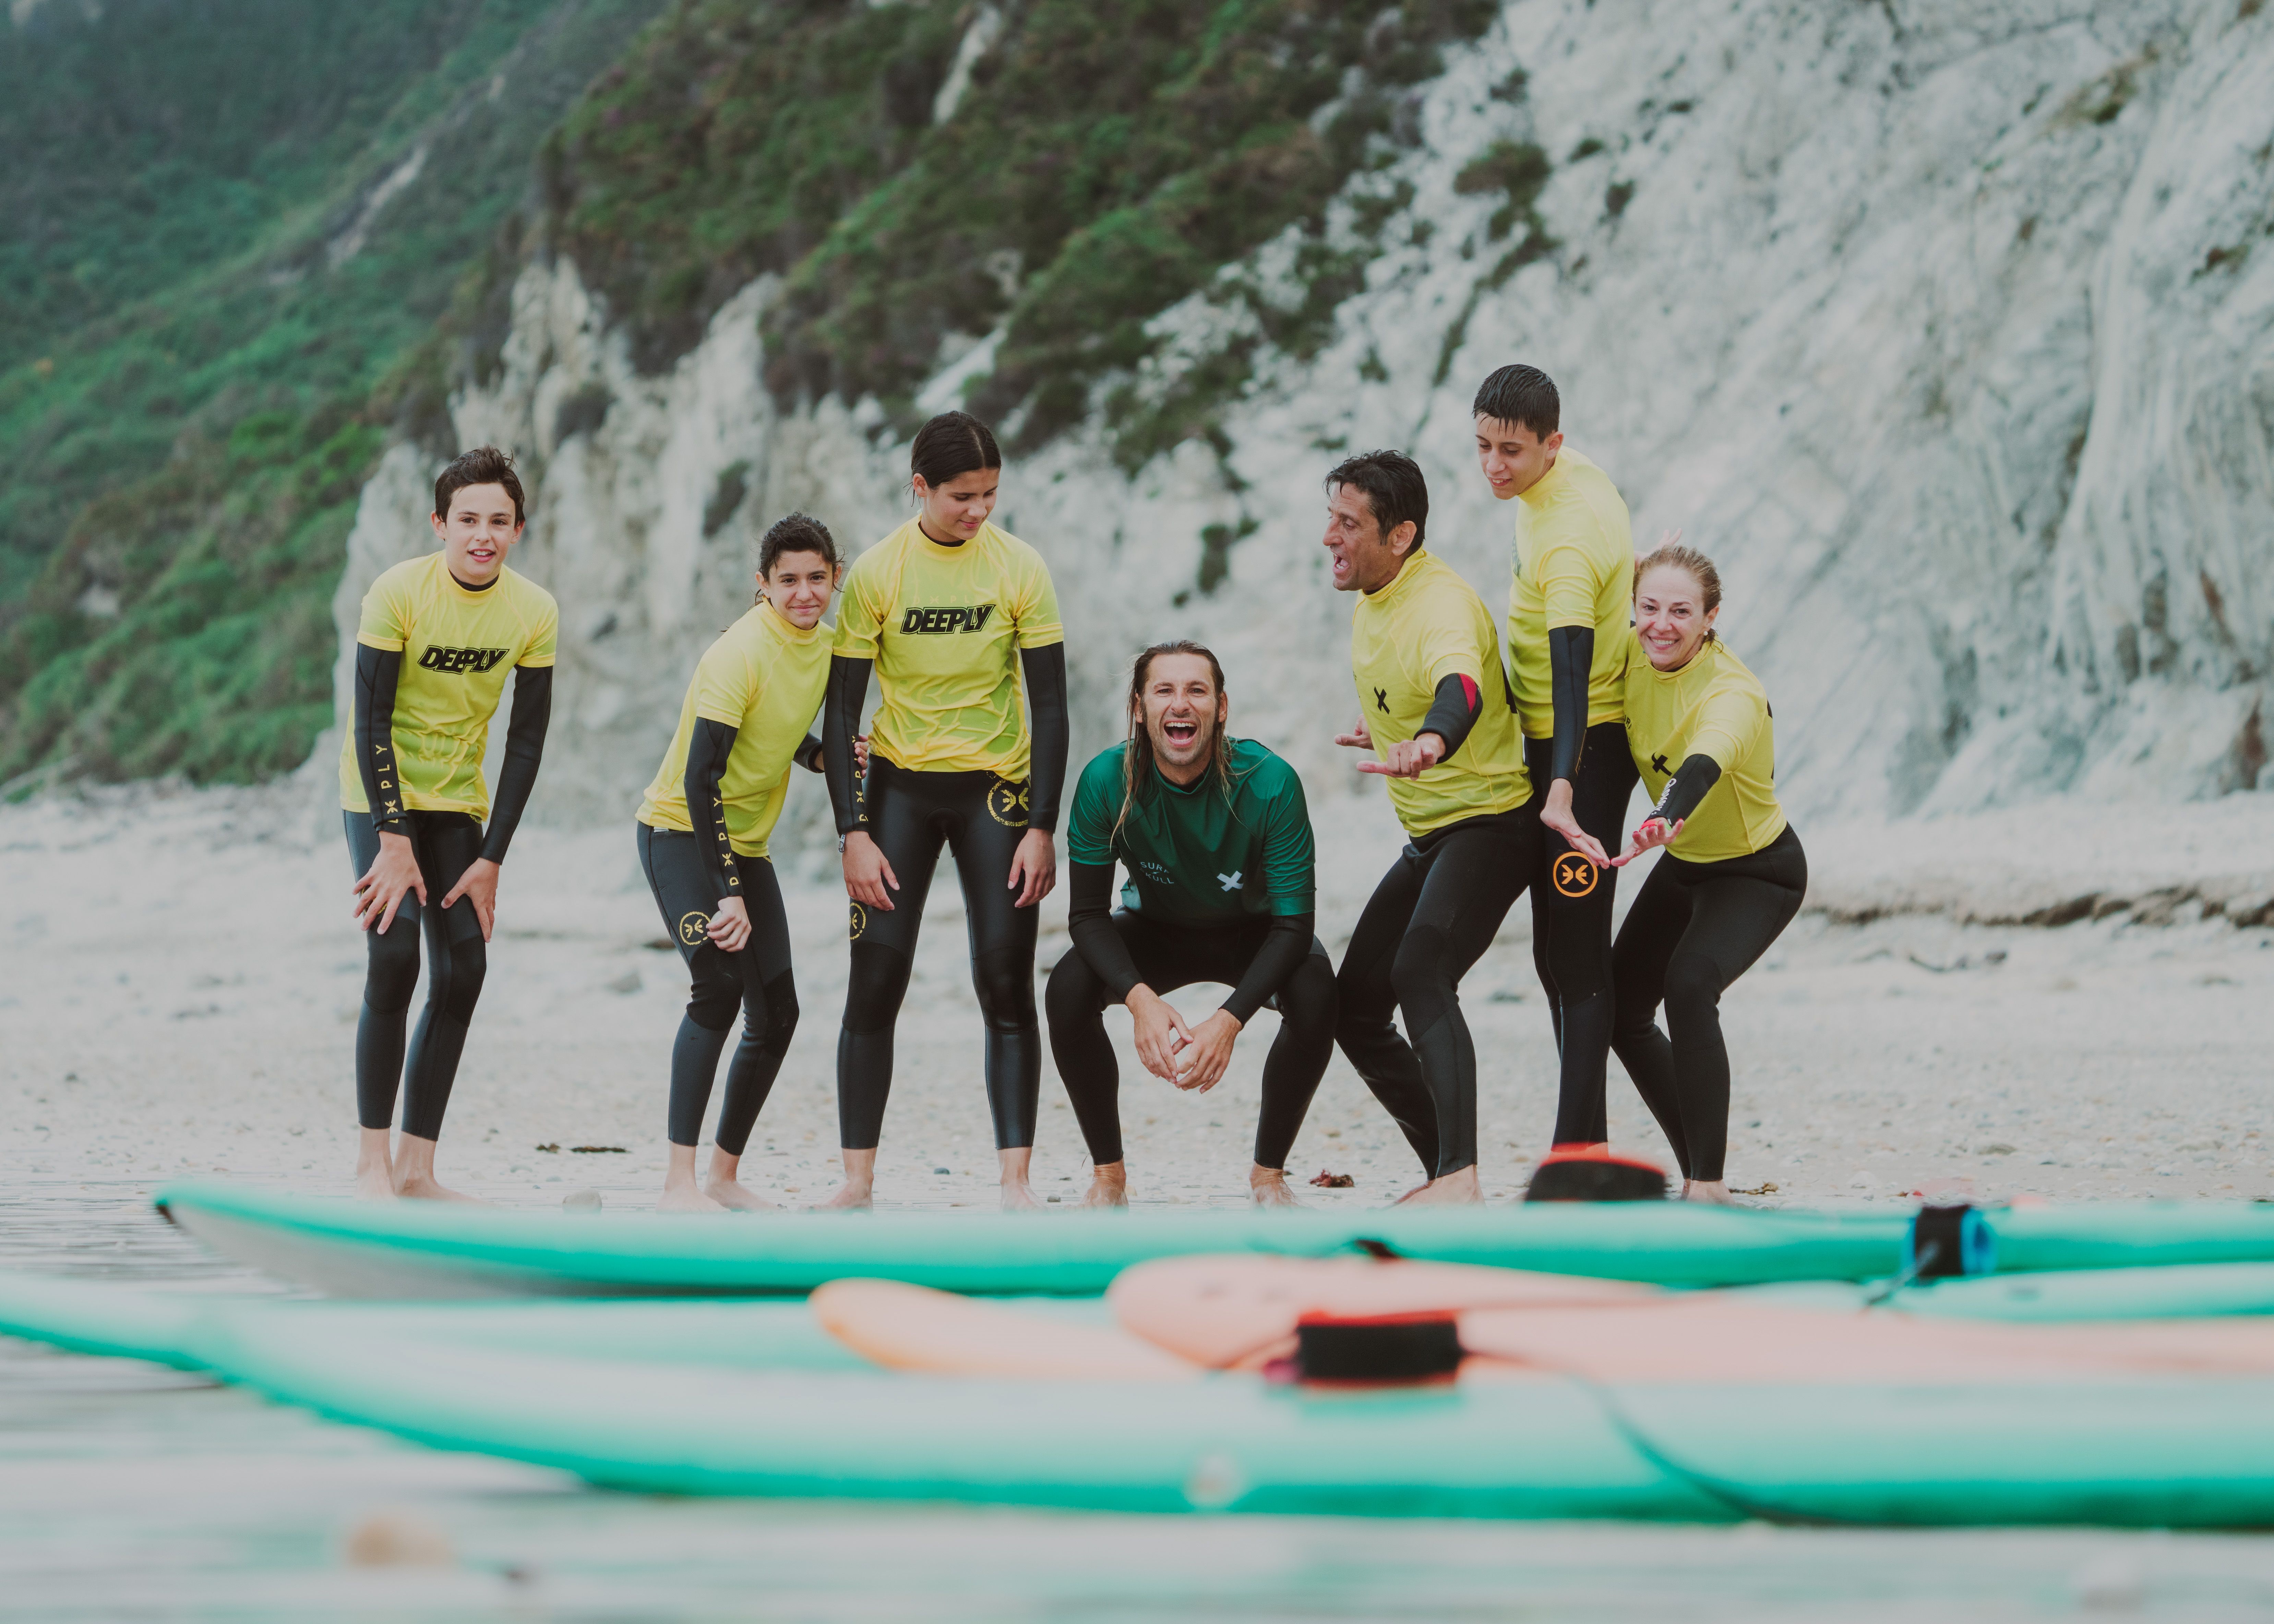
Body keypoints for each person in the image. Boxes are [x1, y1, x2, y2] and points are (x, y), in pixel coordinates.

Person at [819, 411, 1069, 1210]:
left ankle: (1015, 1181)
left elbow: (1051, 705)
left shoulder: (1019, 567)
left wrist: (1041, 825)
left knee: (1004, 981)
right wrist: (852, 831)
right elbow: (841, 712)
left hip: (994, 790)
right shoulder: (877, 573)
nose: (979, 510)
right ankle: (857, 1180)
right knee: (875, 981)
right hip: (899, 789)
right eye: (962, 496)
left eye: (990, 493)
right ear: (920, 487)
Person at [339, 447, 555, 1200]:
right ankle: (372, 1162)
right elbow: (370, 722)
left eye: (499, 521)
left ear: (518, 529)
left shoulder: (534, 611)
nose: (482, 535)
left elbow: (525, 742)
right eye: (468, 519)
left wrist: (492, 857)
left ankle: (416, 1168)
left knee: (464, 967)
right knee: (395, 952)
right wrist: (393, 838)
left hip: (458, 801)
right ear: (440, 523)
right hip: (380, 797)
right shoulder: (398, 592)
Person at [1046, 641, 1333, 1207]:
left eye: (1197, 690)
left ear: (1221, 708)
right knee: (1068, 988)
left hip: (1254, 932)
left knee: (1317, 990)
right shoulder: (1106, 779)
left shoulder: (1270, 781)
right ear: (1139, 708)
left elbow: (1295, 926)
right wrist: (1139, 999)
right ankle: (1108, 1177)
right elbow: (1087, 916)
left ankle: (1269, 1177)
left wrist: (1229, 1020)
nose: (1181, 704)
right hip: (1156, 928)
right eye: (1164, 690)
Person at [1325, 450, 1541, 1203]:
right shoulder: (1374, 598)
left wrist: (1433, 738)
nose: (1331, 536)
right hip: (1430, 834)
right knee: (1355, 1007)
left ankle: (1459, 1176)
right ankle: (1444, 1171)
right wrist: (1386, 727)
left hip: (1491, 822)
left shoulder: (1439, 603)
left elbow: (1462, 685)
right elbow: (1414, 682)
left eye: (1349, 523)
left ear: (1401, 536)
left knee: (1421, 967)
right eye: (1331, 518)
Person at [635, 515, 845, 1212]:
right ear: (763, 584)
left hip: (745, 843)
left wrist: (820, 755)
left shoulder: (827, 646)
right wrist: (728, 892)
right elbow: (701, 780)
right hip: (679, 832)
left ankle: (722, 1177)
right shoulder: (738, 654)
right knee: (719, 986)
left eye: (817, 578)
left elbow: (778, 728)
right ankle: (678, 1183)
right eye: (788, 580)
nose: (804, 593)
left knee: (778, 1012)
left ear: (835, 578)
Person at [1473, 363, 1640, 1155]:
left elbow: (1571, 674)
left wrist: (1564, 787)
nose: (1493, 465)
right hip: (1556, 742)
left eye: (1510, 450)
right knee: (1554, 954)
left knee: (1574, 954)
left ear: (1552, 443)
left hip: (1584, 745)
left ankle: (1578, 1153)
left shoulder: (1566, 535)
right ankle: (1588, 1144)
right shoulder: (1561, 478)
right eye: (1482, 446)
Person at [1607, 542, 1805, 1203]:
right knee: (1621, 1007)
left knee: (1690, 984)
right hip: (1686, 862)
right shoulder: (1631, 653)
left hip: (1758, 870)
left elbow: (1703, 763)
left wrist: (1664, 815)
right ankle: (1696, 1169)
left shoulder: (1733, 692)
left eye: (1681, 612)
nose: (1661, 625)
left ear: (1710, 617)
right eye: (1649, 608)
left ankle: (1709, 1185)